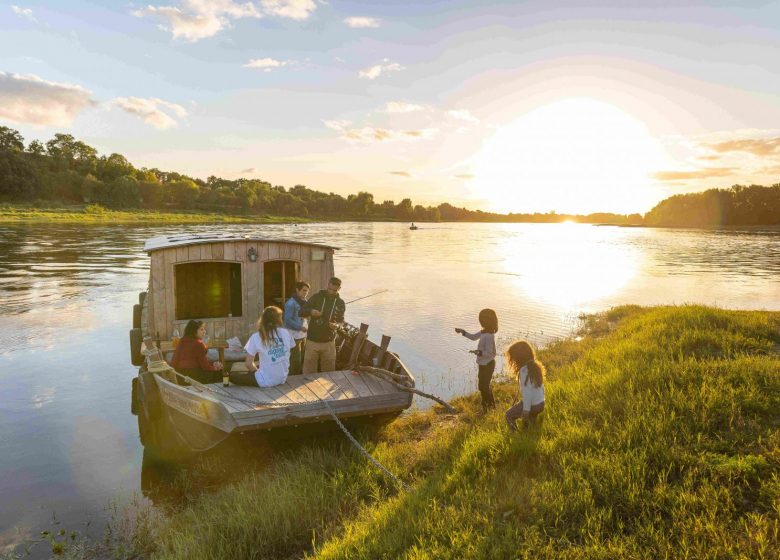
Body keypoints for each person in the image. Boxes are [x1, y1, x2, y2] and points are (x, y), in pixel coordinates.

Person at [232, 306, 295, 387]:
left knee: (232, 375)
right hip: (282, 378)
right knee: (260, 365)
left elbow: (248, 364)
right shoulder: (286, 332)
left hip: (264, 382)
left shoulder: (256, 336)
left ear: (263, 319)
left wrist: (255, 372)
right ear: (279, 319)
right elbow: (290, 351)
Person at [299, 277, 346, 374]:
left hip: (329, 343)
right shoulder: (317, 297)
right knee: (308, 373)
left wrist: (337, 326)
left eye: (335, 290)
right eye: (330, 289)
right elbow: (301, 312)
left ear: (339, 289)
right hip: (312, 341)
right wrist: (311, 312)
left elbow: (341, 322)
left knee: (330, 374)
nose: (332, 292)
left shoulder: (340, 303)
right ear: (328, 285)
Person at [455, 308, 498, 411]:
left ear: (486, 321)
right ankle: (487, 407)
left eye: (481, 319)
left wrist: (479, 352)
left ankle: (490, 407)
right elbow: (474, 337)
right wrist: (463, 332)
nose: (480, 321)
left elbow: (491, 353)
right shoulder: (484, 332)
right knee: (482, 386)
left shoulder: (489, 336)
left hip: (488, 364)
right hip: (483, 364)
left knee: (484, 386)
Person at [504, 340, 546, 432]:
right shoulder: (535, 366)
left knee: (508, 415)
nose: (513, 360)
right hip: (540, 404)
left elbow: (527, 393)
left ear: (519, 357)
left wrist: (526, 410)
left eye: (513, 358)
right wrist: (541, 400)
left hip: (532, 405)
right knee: (530, 422)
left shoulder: (524, 371)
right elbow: (541, 387)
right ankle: (529, 432)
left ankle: (514, 435)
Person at [171, 320, 223, 384]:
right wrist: (216, 368)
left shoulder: (182, 341)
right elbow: (205, 367)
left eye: (204, 329)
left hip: (181, 377)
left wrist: (213, 364)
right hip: (193, 377)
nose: (204, 331)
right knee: (219, 372)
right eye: (201, 329)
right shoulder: (199, 344)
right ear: (194, 331)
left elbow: (174, 360)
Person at [283, 281, 310, 375]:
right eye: (303, 290)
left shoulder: (305, 301)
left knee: (302, 358)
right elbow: (287, 320)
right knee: (295, 360)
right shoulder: (290, 303)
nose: (305, 293)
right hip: (294, 336)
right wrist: (300, 327)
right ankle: (293, 378)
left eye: (307, 291)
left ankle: (298, 376)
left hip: (303, 335)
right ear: (297, 290)